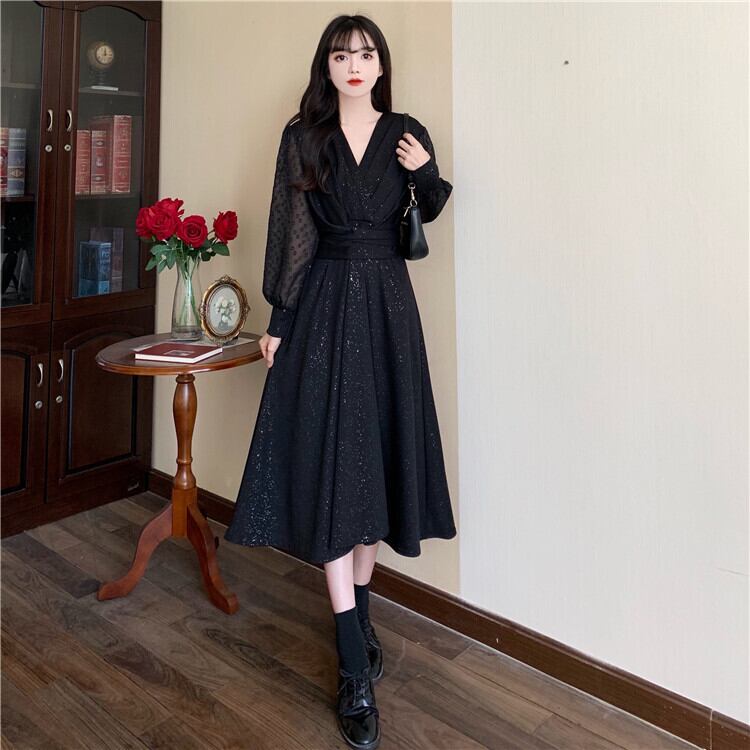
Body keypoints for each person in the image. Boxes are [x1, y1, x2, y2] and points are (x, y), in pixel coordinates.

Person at [224, 13, 456, 749]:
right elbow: (292, 232)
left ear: (381, 64)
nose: (354, 64)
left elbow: (429, 210)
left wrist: (425, 172)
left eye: (365, 53)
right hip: (324, 306)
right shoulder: (305, 136)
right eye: (340, 54)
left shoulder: (406, 131)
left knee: (373, 468)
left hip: (389, 310)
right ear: (325, 67)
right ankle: (353, 659)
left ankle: (359, 611)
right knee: (331, 466)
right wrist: (280, 320)